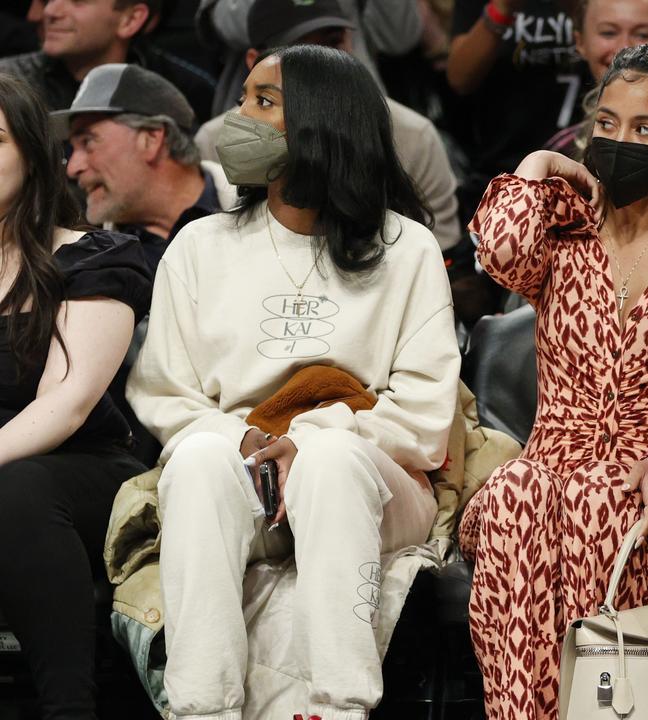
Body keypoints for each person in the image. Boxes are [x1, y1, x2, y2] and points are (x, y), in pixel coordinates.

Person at [125, 45, 458, 720]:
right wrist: (246, 436)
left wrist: (312, 437)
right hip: (241, 470)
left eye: (262, 101)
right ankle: (202, 708)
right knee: (196, 459)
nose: (235, 118)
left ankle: (338, 706)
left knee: (328, 459)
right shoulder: (199, 247)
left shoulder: (407, 249)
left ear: (322, 121)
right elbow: (164, 395)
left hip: (370, 476)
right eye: (244, 96)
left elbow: (424, 418)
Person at [458, 41, 648, 720]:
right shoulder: (565, 229)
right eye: (606, 125)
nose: (619, 142)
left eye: (645, 130)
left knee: (599, 507)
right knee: (512, 496)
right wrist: (541, 164)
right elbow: (496, 253)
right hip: (550, 462)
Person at [0, 72, 151, 720]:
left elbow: (66, 403)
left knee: (16, 490)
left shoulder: (91, 257)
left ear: (34, 153)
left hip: (81, 468)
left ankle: (70, 711)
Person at [192, 0, 461, 251]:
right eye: (301, 52)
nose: (323, 64)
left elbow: (442, 255)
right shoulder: (220, 140)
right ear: (255, 62)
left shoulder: (411, 135)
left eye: (333, 43)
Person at [59, 63, 235, 274]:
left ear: (151, 139)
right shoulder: (91, 266)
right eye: (72, 148)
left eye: (88, 142)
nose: (72, 168)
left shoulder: (267, 215)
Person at [446, 0, 582, 214]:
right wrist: (502, 7)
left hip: (582, 166)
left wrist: (578, 8)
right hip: (500, 170)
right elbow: (459, 79)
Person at [196, 0, 423, 115]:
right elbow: (234, 27)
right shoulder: (221, 139)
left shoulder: (408, 132)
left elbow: (400, 37)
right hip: (271, 108)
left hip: (356, 103)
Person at [0, 0, 215, 120]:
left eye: (77, 1)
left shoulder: (187, 93)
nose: (50, 11)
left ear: (131, 20)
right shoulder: (7, 82)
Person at [544, 0, 648, 157]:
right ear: (580, 42)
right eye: (608, 33)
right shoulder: (562, 151)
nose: (624, 48)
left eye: (642, 34)